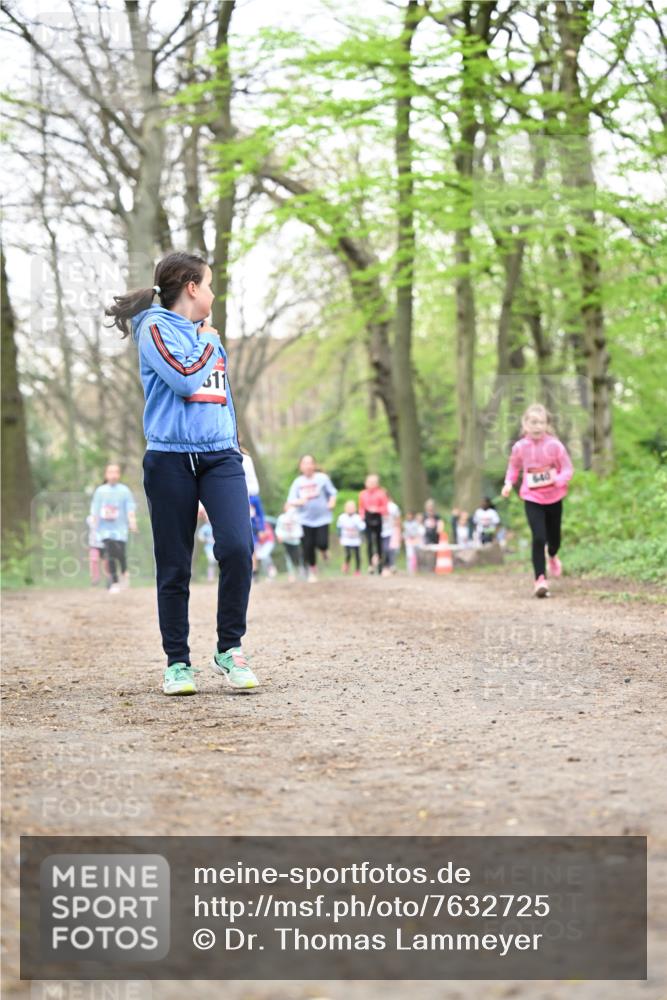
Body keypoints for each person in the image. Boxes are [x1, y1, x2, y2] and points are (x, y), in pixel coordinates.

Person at [105, 250, 259, 695]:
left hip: (220, 457)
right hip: (170, 458)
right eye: (208, 284)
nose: (212, 293)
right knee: (174, 566)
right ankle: (178, 663)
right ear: (192, 288)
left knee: (236, 547)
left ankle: (229, 648)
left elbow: (216, 392)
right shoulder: (154, 328)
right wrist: (209, 340)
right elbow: (187, 379)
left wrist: (232, 438)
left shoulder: (204, 334)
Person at [501, 403, 573, 598]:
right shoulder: (519, 447)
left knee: (554, 540)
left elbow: (567, 468)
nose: (537, 426)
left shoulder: (555, 445)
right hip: (532, 497)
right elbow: (513, 468)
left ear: (546, 424)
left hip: (554, 497)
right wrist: (508, 483)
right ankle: (540, 580)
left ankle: (553, 556)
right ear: (525, 424)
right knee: (539, 537)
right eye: (533, 422)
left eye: (541, 422)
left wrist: (558, 479)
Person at [287, 455, 337, 583]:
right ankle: (312, 570)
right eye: (305, 463)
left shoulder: (322, 478)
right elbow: (291, 501)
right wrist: (299, 502)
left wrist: (332, 502)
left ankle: (324, 550)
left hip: (322, 518)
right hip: (304, 519)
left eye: (310, 463)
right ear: (301, 467)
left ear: (314, 465)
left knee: (322, 543)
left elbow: (332, 492)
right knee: (308, 546)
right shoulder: (298, 482)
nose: (308, 466)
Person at [90, 463, 137, 594]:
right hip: (104, 529)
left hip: (120, 529)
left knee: (120, 554)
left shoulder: (124, 490)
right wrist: (94, 523)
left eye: (116, 472)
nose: (113, 475)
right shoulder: (100, 491)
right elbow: (95, 509)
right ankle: (114, 582)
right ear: (106, 474)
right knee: (109, 553)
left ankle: (124, 572)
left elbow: (130, 508)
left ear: (119, 475)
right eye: (110, 472)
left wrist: (132, 522)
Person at [358, 474, 389, 574]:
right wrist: (362, 515)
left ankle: (380, 564)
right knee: (369, 542)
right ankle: (370, 565)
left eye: (373, 482)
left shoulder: (381, 494)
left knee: (379, 542)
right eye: (369, 482)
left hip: (377, 518)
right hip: (367, 518)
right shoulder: (362, 494)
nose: (371, 484)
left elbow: (385, 509)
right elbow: (361, 507)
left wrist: (377, 509)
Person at [275, 502, 305, 582]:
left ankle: (300, 570)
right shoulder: (281, 518)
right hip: (286, 540)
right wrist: (279, 536)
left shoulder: (297, 517)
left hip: (295, 541)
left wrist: (298, 535)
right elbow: (278, 528)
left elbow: (300, 528)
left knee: (298, 557)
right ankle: (291, 574)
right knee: (288, 558)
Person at [336, 500, 365, 575]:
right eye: (348, 507)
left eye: (352, 507)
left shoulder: (357, 518)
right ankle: (346, 564)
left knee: (357, 555)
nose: (350, 509)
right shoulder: (342, 517)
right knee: (348, 554)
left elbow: (363, 528)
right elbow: (338, 528)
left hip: (356, 540)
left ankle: (357, 570)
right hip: (346, 540)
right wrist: (339, 537)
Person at [382, 498, 402, 575]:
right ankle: (384, 566)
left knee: (390, 549)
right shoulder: (377, 506)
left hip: (391, 530)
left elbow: (398, 518)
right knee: (383, 549)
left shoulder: (393, 506)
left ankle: (391, 565)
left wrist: (398, 529)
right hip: (380, 531)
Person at [197, 507, 216, 582]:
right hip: (209, 548)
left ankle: (213, 577)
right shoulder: (205, 528)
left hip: (217, 547)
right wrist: (207, 539)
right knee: (211, 561)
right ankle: (210, 577)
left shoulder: (216, 527)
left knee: (215, 562)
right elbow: (200, 537)